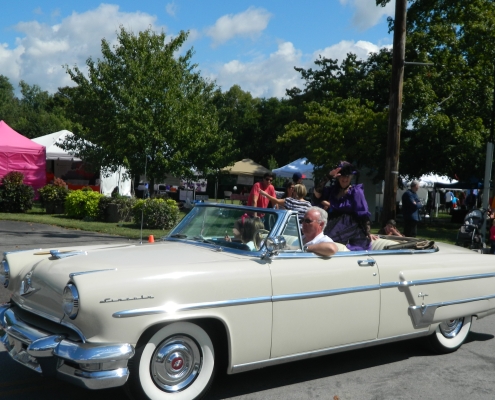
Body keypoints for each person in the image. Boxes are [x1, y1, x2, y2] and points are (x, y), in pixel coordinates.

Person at [313, 161, 375, 251]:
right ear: (338, 177)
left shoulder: (356, 192)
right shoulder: (333, 190)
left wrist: (368, 233)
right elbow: (317, 194)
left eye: (348, 176)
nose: (345, 179)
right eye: (342, 176)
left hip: (350, 225)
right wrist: (328, 176)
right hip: (332, 223)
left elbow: (363, 213)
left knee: (328, 241)